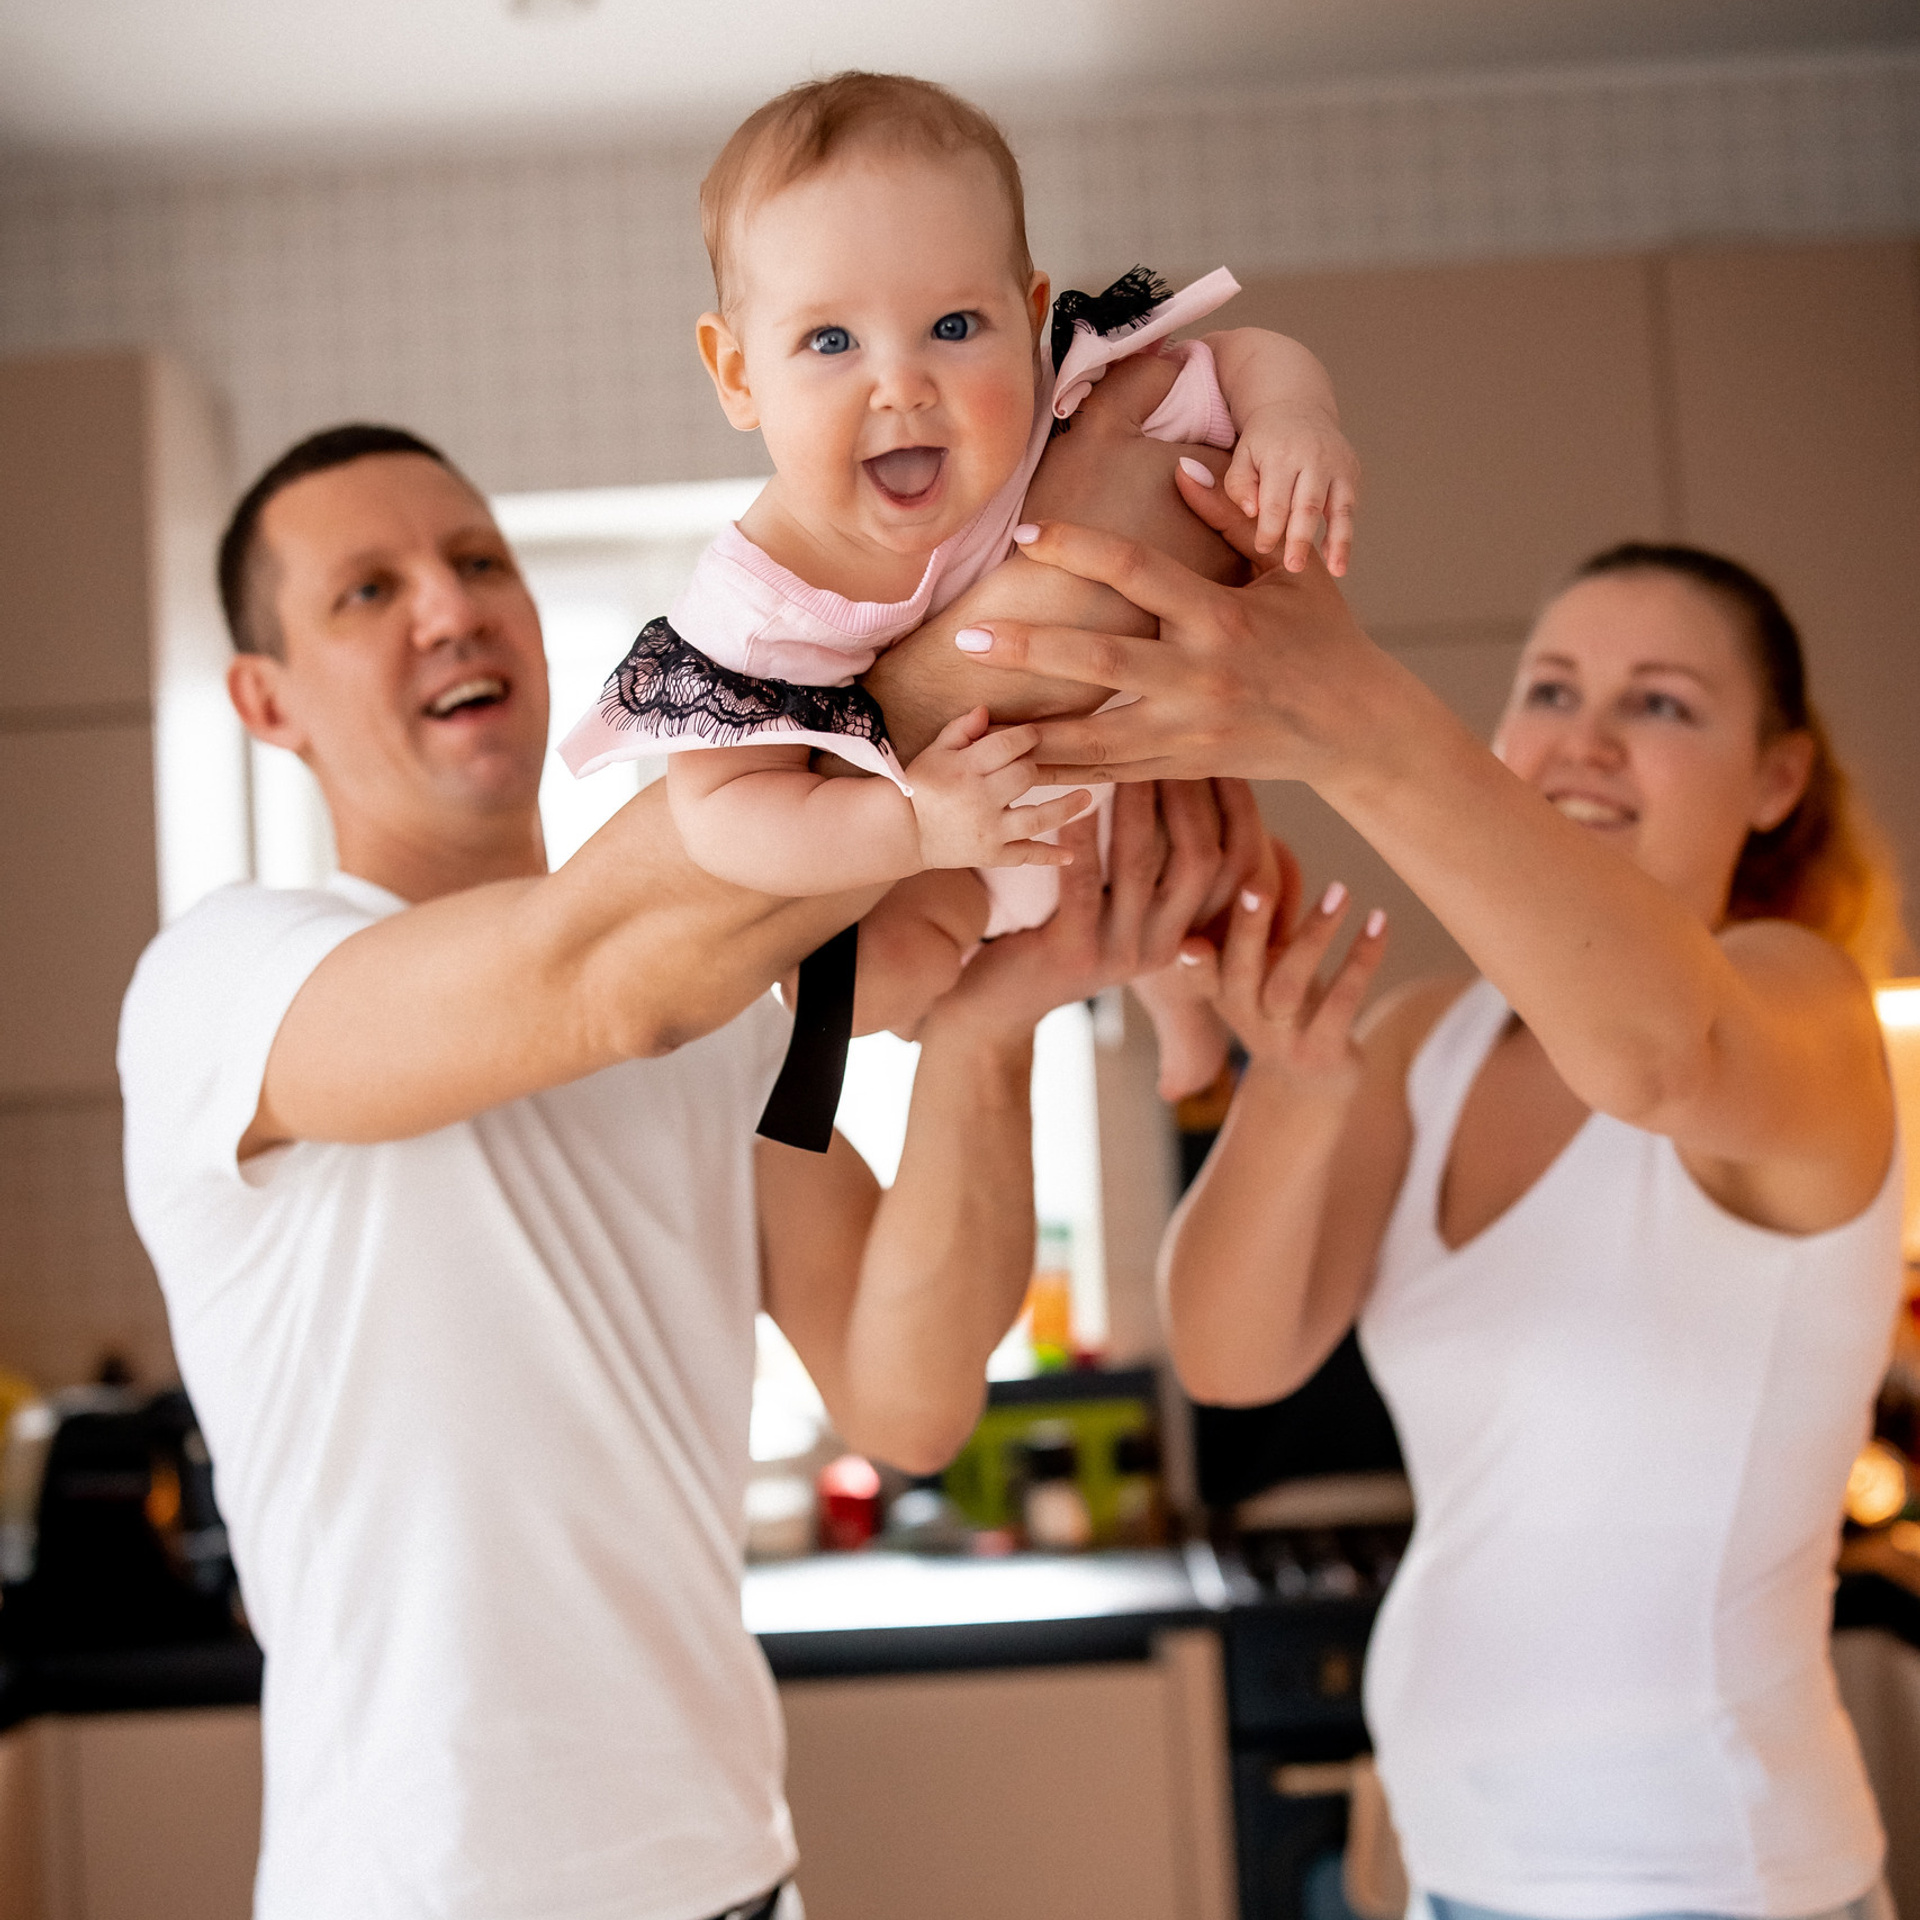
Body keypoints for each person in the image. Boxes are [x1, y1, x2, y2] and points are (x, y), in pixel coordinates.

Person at [117, 423, 1255, 1920]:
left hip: (733, 1882)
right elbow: (592, 979)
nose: (448, 609)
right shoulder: (225, 984)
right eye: (367, 593)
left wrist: (992, 1028)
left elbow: (905, 1392)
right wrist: (906, 707)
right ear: (266, 701)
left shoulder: (706, 1018)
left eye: (476, 564)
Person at [960, 515, 1906, 1919]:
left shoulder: (1800, 1006)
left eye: (1660, 702)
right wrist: (1294, 1074)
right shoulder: (1430, 1047)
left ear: (1777, 780)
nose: (1586, 736)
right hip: (1452, 1867)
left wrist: (1350, 723)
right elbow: (1235, 1355)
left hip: (1710, 1879)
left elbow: (1654, 1053)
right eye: (1552, 688)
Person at [558, 71, 1361, 1100]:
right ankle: (1016, 1006)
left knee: (1238, 889)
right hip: (953, 858)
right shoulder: (763, 600)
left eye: (953, 327)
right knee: (851, 996)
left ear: (1029, 320)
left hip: (1138, 780)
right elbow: (719, 810)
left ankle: (1183, 1020)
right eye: (830, 341)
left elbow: (1241, 357)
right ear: (738, 374)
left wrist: (1299, 422)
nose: (902, 384)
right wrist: (912, 830)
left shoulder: (1064, 409)